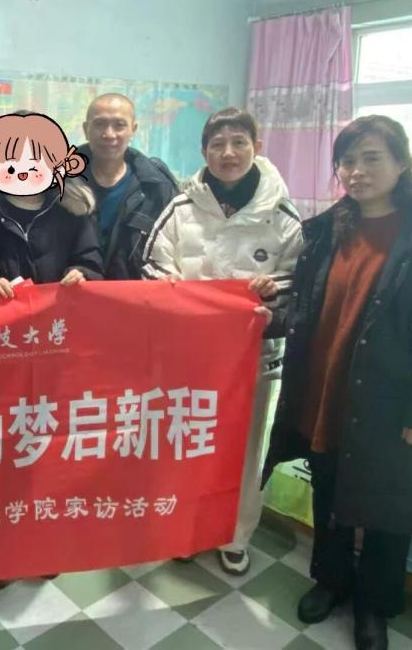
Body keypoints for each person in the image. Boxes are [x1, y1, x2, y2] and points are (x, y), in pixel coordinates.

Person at [262, 115, 412, 650]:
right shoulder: (325, 232)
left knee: (387, 506)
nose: (356, 171)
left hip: (390, 401)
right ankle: (331, 580)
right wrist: (268, 307)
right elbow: (309, 308)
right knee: (329, 491)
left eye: (372, 158)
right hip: (326, 392)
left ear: (402, 163)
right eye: (347, 161)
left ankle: (375, 605)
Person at [142, 107, 303, 577]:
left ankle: (236, 536)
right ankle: (187, 530)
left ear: (256, 147)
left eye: (238, 142)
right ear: (204, 151)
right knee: (188, 444)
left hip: (252, 359)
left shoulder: (282, 215)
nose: (228, 153)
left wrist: (272, 291)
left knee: (243, 450)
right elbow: (152, 264)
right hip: (189, 357)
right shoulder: (181, 208)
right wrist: (172, 289)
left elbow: (300, 280)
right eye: (217, 144)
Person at [0, 111, 103, 296]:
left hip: (59, 309)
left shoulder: (72, 207)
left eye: (34, 166)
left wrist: (82, 273)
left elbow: (90, 259)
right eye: (11, 166)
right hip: (1, 308)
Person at [76, 93, 178, 280]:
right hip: (71, 293)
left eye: (119, 125)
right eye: (99, 124)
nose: (109, 134)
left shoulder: (157, 186)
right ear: (85, 129)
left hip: (135, 296)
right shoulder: (59, 183)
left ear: (133, 129)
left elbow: (173, 248)